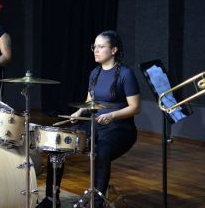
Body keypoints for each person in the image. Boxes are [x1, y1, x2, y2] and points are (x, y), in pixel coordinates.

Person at [37, 30, 140, 208]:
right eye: (94, 47)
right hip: (96, 125)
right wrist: (78, 113)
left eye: (101, 47)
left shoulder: (126, 74)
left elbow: (135, 107)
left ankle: (97, 202)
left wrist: (112, 115)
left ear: (114, 50)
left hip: (121, 128)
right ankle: (51, 199)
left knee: (101, 153)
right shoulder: (94, 73)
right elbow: (90, 101)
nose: (96, 50)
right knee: (57, 146)